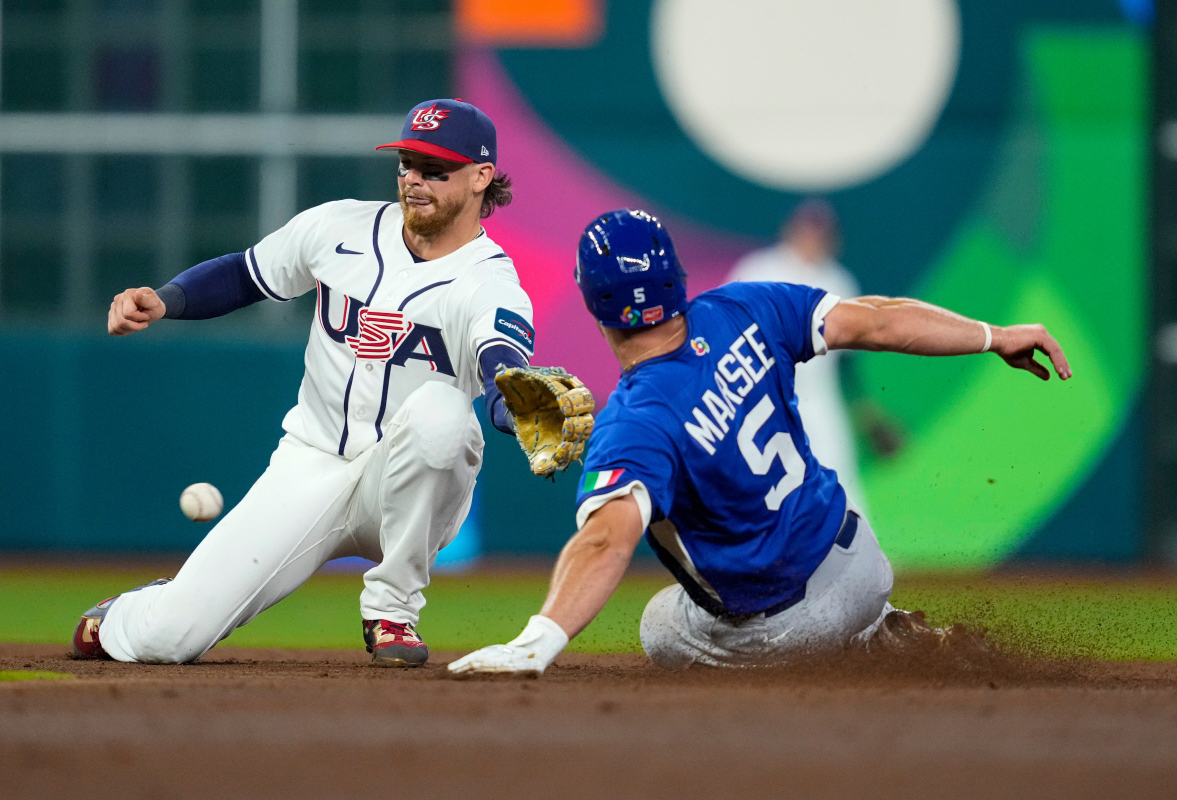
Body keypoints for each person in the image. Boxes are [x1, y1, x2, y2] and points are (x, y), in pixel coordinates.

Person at [448, 209, 1071, 674]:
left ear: (591, 301)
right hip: (858, 558)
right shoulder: (744, 308)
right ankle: (884, 627)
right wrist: (996, 334)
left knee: (659, 625)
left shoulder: (631, 425)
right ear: (675, 274)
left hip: (789, 626)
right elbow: (877, 319)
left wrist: (539, 639)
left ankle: (842, 661)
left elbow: (609, 536)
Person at [73, 99, 540, 667]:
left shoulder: (490, 281)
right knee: (165, 641)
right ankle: (138, 610)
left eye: (434, 170)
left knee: (443, 411)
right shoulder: (340, 226)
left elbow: (501, 360)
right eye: (407, 165)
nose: (415, 181)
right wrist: (166, 300)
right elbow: (247, 273)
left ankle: (392, 609)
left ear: (481, 177)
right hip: (311, 462)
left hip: (406, 488)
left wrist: (512, 401)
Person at [729, 199, 871, 507]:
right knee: (762, 484)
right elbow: (727, 329)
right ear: (790, 230)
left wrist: (864, 409)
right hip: (765, 393)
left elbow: (846, 362)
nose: (813, 239)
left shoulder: (839, 280)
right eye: (808, 230)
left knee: (840, 481)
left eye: (821, 232)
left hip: (820, 397)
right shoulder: (758, 269)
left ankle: (856, 552)